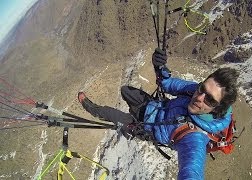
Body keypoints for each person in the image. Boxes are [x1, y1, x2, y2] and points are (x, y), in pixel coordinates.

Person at [78, 48, 239, 179]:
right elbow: (169, 84)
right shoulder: (195, 90)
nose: (199, 97)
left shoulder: (195, 137)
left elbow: (192, 169)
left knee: (108, 113)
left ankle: (89, 106)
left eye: (209, 100)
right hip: (152, 107)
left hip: (143, 128)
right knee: (125, 91)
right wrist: (159, 67)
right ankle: (131, 111)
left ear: (217, 109)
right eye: (202, 88)